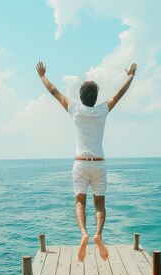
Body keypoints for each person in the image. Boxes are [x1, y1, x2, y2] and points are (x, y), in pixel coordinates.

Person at [35, 61, 137, 261]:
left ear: (80, 97)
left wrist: (42, 75)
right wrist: (131, 75)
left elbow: (54, 91)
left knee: (79, 201)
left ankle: (84, 233)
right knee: (99, 204)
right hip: (98, 163)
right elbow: (119, 94)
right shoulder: (102, 110)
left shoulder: (74, 109)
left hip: (80, 163)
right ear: (95, 97)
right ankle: (98, 234)